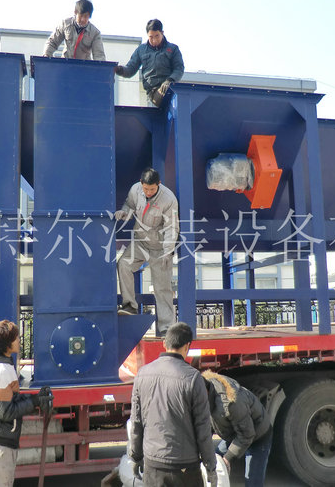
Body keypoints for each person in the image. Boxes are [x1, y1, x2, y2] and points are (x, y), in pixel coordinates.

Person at [129, 322, 218, 487]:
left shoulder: (142, 374)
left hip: (153, 463)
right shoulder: (193, 378)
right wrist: (210, 466)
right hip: (185, 466)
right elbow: (203, 428)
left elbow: (136, 421)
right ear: (187, 346)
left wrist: (135, 456)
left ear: (164, 343)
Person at [0, 320, 53, 487]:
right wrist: (34, 402)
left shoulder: (3, 366)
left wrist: (35, 399)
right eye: (16, 337)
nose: (19, 340)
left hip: (0, 442)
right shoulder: (0, 371)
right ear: (7, 343)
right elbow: (5, 412)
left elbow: (11, 400)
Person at [115, 167, 179, 335]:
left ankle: (166, 328)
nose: (148, 192)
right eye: (146, 188)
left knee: (162, 288)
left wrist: (168, 251)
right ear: (141, 184)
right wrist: (124, 213)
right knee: (123, 264)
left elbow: (172, 227)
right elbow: (129, 205)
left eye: (152, 189)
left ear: (159, 184)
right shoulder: (135, 190)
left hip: (160, 248)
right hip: (140, 242)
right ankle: (130, 306)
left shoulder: (168, 199)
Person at [202, 370, 273, 487]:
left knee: (253, 481)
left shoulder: (230, 403)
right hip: (234, 432)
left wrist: (228, 458)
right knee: (216, 461)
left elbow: (247, 435)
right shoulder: (204, 394)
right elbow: (206, 424)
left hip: (258, 435)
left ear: (205, 391)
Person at [114, 19, 184, 106]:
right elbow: (130, 69)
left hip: (169, 87)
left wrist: (170, 80)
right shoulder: (141, 50)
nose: (154, 40)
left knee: (179, 94)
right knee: (166, 95)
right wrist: (119, 69)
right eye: (151, 37)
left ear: (162, 33)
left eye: (157, 36)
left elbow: (179, 68)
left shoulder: (173, 49)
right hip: (153, 92)